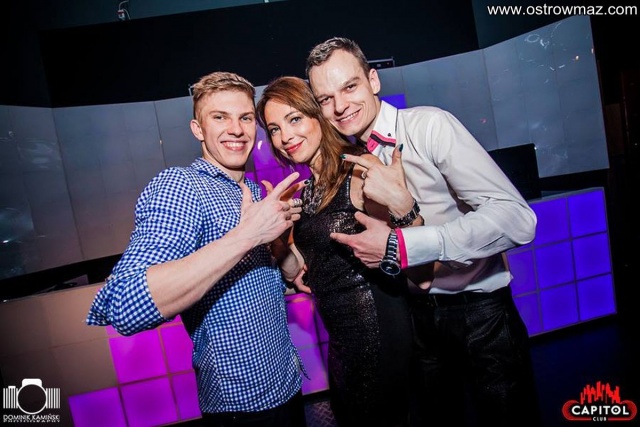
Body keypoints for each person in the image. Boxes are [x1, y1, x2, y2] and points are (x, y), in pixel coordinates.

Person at [305, 37, 541, 427]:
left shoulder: (429, 126)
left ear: (373, 81)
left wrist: (407, 243)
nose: (340, 105)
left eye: (349, 87)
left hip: (479, 315)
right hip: (414, 323)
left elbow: (516, 218)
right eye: (326, 99)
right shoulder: (352, 162)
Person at [85, 71, 307, 427]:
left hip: (288, 384)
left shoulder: (255, 192)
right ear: (198, 129)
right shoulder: (182, 187)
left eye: (245, 118)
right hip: (240, 407)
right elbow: (125, 303)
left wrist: (279, 241)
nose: (236, 129)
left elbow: (286, 279)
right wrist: (247, 235)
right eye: (220, 117)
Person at [256, 75, 414, 427]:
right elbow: (298, 270)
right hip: (340, 336)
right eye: (275, 129)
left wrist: (403, 212)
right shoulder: (307, 190)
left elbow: (405, 250)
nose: (285, 136)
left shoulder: (360, 169)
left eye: (294, 119)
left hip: (377, 326)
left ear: (318, 115)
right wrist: (277, 238)